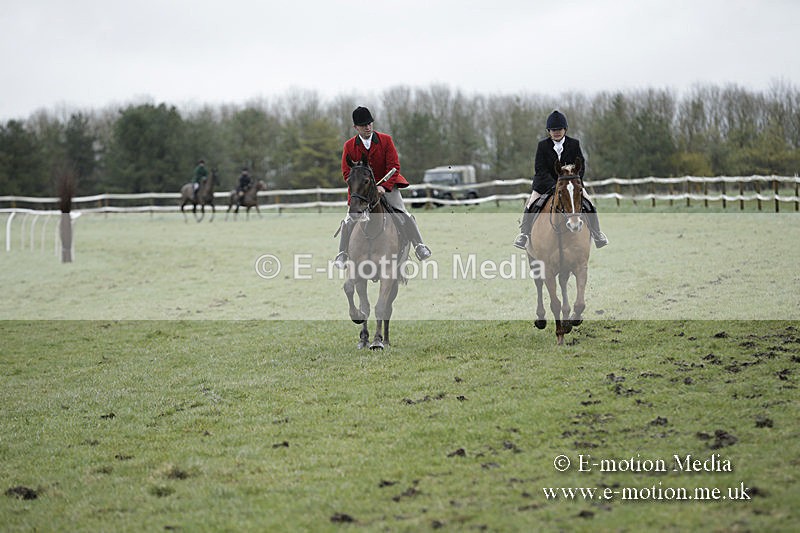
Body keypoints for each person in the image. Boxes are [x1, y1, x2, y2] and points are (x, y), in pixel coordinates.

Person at [334, 106, 432, 269]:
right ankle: (342, 253)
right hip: (362, 191)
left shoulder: (385, 140)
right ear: (355, 127)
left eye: (369, 123)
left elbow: (394, 166)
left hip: (387, 186)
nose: (368, 127)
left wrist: (384, 187)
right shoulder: (349, 146)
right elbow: (347, 173)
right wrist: (361, 187)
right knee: (349, 218)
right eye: (363, 125)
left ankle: (419, 246)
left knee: (403, 213)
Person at [513, 110, 609, 249]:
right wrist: (555, 185)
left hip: (571, 184)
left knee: (589, 203)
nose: (556, 132)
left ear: (565, 129)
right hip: (544, 185)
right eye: (553, 130)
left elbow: (580, 165)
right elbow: (540, 169)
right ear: (548, 131)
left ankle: (597, 234)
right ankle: (524, 235)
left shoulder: (574, 144)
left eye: (559, 129)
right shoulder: (542, 146)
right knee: (531, 204)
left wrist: (574, 181)